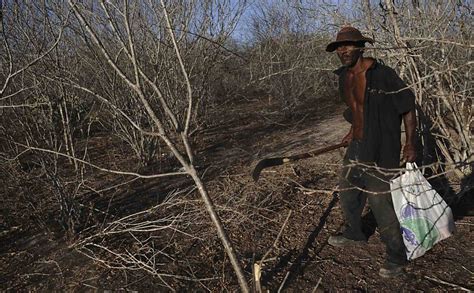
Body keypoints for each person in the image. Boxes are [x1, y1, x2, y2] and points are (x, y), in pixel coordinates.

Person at [325, 26, 417, 278]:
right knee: (347, 187)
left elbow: (408, 108)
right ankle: (355, 234)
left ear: (361, 46)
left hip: (382, 147)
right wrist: (352, 130)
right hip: (357, 143)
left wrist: (410, 143)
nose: (343, 50)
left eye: (349, 45)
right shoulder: (343, 76)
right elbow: (356, 109)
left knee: (379, 199)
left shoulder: (383, 74)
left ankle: (396, 257)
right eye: (339, 47)